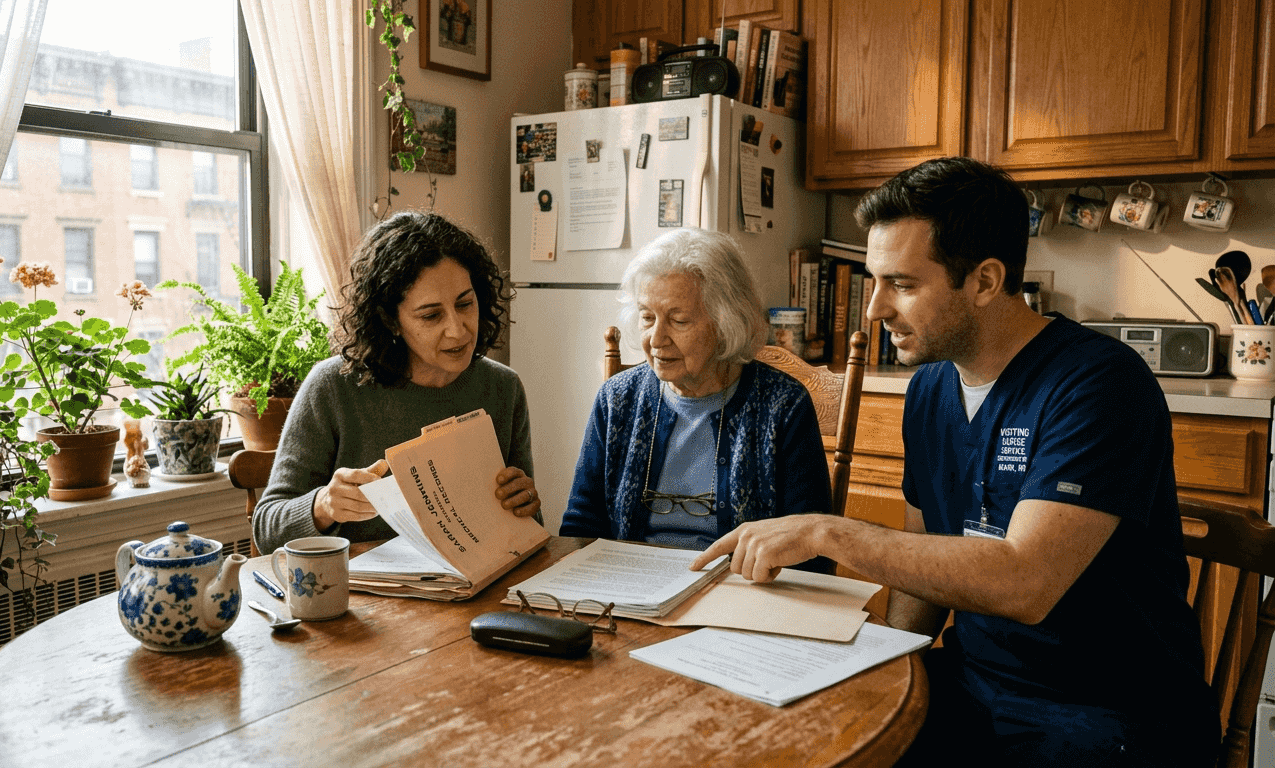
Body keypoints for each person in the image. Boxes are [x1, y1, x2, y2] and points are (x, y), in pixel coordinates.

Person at [692, 157, 1217, 766]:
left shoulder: (1099, 383)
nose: (874, 309)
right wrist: (887, 664)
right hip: (973, 686)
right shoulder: (930, 389)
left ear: (986, 281)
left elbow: (1025, 582)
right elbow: (924, 561)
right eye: (875, 281)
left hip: (1109, 713)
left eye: (903, 284)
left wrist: (826, 531)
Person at [252, 211, 540, 555]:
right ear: (390, 320)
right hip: (361, 587)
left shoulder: (503, 388)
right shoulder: (332, 388)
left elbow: (528, 534)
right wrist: (324, 505)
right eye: (431, 315)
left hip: (476, 582)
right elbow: (266, 529)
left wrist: (524, 504)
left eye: (465, 303)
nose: (458, 329)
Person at [560, 228, 833, 566]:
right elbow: (581, 526)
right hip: (630, 585)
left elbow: (811, 553)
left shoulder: (783, 406)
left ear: (726, 323)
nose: (656, 339)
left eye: (679, 320)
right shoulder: (617, 399)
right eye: (647, 318)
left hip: (740, 588)